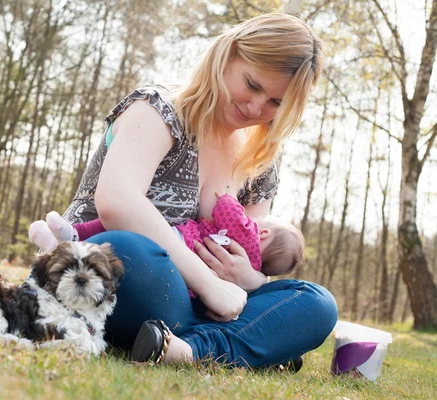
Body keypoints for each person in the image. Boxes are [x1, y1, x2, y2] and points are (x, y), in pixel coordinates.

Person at [28, 12, 337, 369]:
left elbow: (257, 251)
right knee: (128, 248)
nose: (256, 107)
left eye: (276, 103)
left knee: (316, 302)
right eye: (252, 85)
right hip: (120, 278)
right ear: (230, 54)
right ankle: (247, 346)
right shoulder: (159, 109)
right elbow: (117, 202)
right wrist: (208, 284)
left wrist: (250, 279)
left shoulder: (260, 157)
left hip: (202, 306)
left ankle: (184, 350)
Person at [29, 192, 305, 296]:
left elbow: (230, 213)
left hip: (180, 242)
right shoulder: (254, 259)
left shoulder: (249, 236)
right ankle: (66, 239)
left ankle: (73, 236)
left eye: (266, 221)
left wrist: (228, 197)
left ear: (265, 235)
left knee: (125, 226)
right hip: (188, 286)